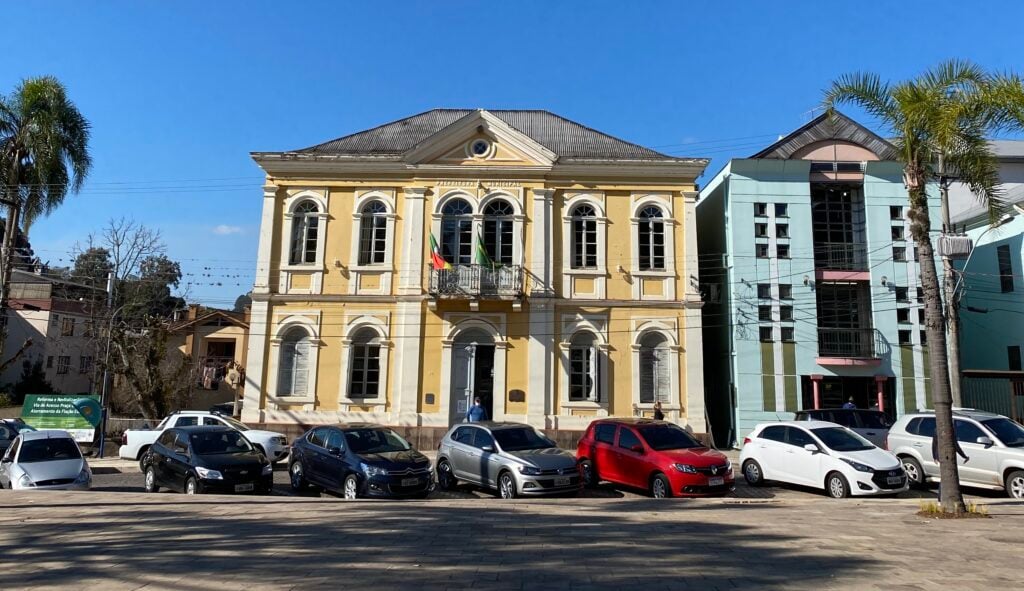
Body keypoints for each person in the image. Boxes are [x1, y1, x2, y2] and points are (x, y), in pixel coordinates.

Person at [932, 424, 969, 500]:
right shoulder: (949, 431)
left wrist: (935, 457)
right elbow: (956, 445)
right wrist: (964, 456)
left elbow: (934, 444)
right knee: (945, 478)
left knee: (943, 477)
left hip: (939, 455)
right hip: (945, 456)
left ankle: (941, 498)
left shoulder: (937, 429)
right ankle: (940, 498)